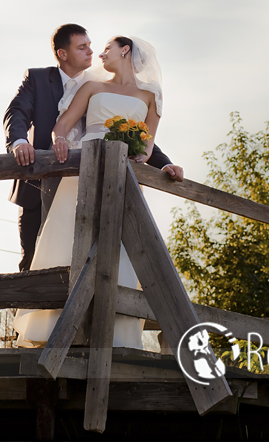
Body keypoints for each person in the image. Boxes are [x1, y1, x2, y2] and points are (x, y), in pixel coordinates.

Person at [13, 35, 167, 348]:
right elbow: (64, 123)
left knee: (117, 242)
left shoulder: (151, 95)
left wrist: (152, 160)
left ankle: (112, 333)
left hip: (123, 172)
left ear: (125, 50)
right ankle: (54, 329)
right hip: (85, 163)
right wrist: (59, 139)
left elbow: (148, 143)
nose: (100, 53)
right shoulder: (93, 87)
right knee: (70, 235)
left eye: (107, 48)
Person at [4, 24, 183, 272]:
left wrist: (162, 163)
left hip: (113, 172)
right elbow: (18, 113)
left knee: (110, 247)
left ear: (125, 51)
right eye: (83, 47)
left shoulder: (121, 88)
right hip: (43, 181)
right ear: (63, 54)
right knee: (37, 257)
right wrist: (23, 142)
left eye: (94, 46)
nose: (93, 52)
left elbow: (141, 135)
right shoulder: (42, 79)